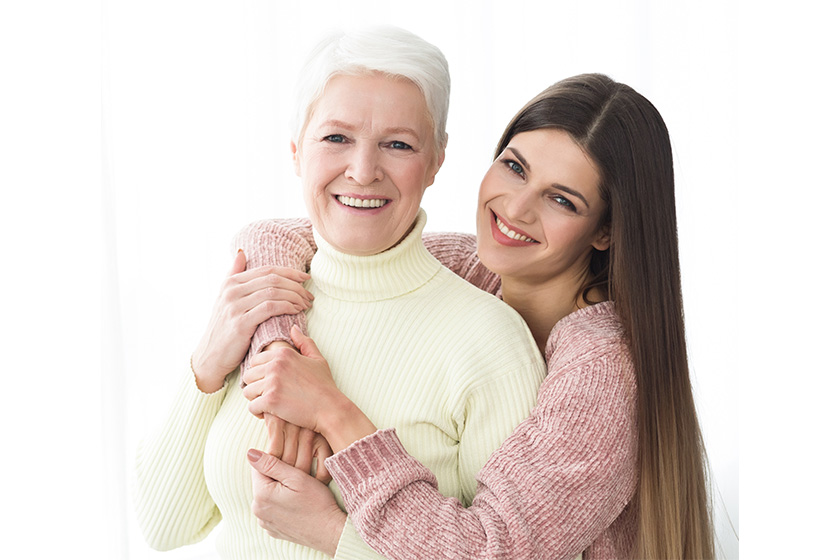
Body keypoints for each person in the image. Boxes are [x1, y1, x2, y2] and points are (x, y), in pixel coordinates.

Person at [240, 73, 716, 559]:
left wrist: (331, 417)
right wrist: (277, 356)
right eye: (514, 167)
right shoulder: (469, 268)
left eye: (561, 200)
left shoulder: (602, 374)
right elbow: (274, 236)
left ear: (606, 231)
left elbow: (492, 550)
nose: (515, 207)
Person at [133, 26, 547, 560]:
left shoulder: (489, 340)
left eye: (397, 144)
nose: (362, 171)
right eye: (336, 138)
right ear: (295, 150)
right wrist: (206, 367)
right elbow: (163, 527)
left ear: (438, 161)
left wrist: (335, 536)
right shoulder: (261, 305)